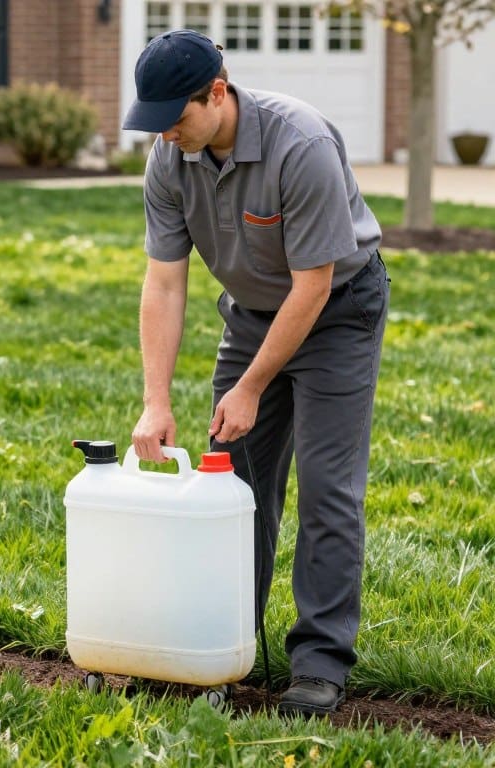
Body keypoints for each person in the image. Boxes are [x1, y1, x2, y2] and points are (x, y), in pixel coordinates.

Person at [124, 29, 390, 717]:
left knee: (330, 490)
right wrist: (156, 401)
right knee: (232, 485)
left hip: (337, 313)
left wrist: (251, 387)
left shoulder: (298, 144)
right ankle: (220, 641)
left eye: (175, 118)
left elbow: (313, 285)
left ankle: (320, 663)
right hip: (250, 316)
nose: (166, 135)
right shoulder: (170, 157)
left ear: (217, 92)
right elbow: (164, 284)